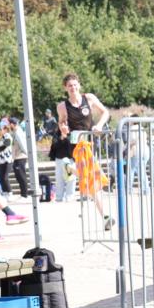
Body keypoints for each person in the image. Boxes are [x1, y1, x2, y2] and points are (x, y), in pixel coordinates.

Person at [57, 72, 112, 229]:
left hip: (91, 141)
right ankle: (105, 216)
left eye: (75, 85)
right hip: (77, 144)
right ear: (65, 88)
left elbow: (105, 112)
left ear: (79, 85)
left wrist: (99, 125)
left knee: (91, 180)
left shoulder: (89, 98)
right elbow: (61, 125)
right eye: (70, 86)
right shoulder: (62, 106)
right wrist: (63, 129)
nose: (73, 88)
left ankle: (70, 168)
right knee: (93, 179)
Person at [49, 119, 78, 201]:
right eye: (61, 124)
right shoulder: (57, 134)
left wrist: (66, 137)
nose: (63, 126)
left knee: (71, 179)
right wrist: (61, 138)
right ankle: (59, 197)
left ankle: (69, 196)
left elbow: (73, 147)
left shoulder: (72, 133)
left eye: (65, 124)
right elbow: (54, 146)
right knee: (59, 179)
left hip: (69, 159)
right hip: (59, 159)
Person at [9, 116, 30, 198]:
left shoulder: (18, 132)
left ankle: (25, 194)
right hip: (17, 157)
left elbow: (22, 144)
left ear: (12, 124)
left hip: (20, 157)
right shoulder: (15, 132)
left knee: (21, 176)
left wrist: (27, 154)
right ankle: (23, 193)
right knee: (19, 176)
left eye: (10, 124)